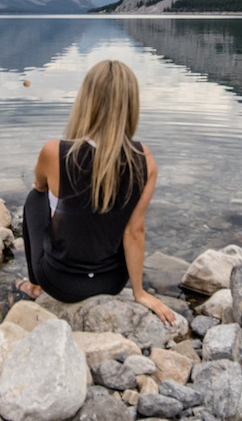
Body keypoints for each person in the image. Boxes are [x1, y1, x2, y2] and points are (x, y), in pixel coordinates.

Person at [18, 59, 175, 325]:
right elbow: (134, 231)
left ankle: (35, 286)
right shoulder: (145, 160)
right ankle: (126, 285)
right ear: (130, 104)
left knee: (35, 198)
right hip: (111, 282)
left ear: (86, 100)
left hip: (59, 283)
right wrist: (139, 293)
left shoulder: (55, 152)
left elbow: (40, 188)